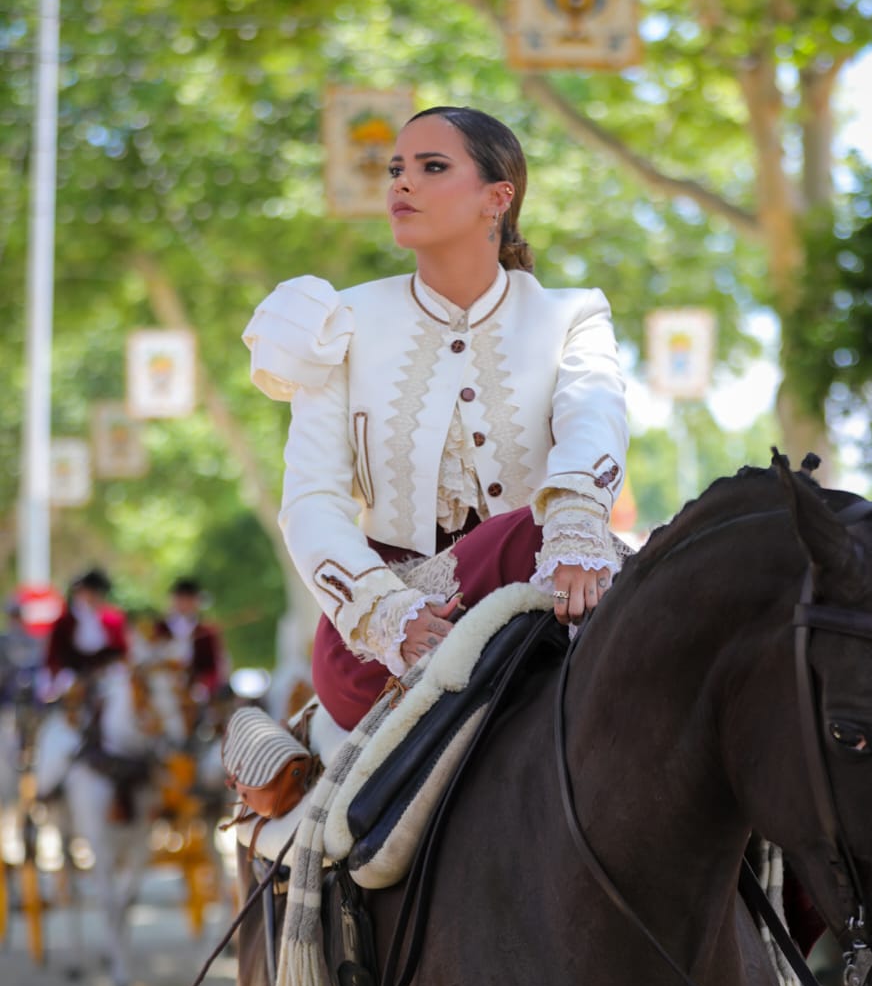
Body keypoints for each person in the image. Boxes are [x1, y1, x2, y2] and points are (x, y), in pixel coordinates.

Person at [243, 104, 628, 730]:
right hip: (379, 642)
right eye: (397, 168)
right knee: (526, 533)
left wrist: (578, 532)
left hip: (549, 589)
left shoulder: (573, 316)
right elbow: (311, 500)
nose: (401, 182)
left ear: (496, 198)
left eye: (431, 167)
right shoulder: (338, 321)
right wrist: (388, 615)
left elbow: (595, 419)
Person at [43, 568, 129, 697]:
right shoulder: (65, 621)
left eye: (96, 593)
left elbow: (122, 650)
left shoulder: (114, 619)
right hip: (72, 672)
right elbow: (54, 653)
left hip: (106, 673)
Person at [152, 577, 228, 702]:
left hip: (192, 687)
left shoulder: (206, 631)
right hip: (161, 683)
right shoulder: (159, 628)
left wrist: (203, 686)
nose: (184, 603)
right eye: (180, 598)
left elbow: (213, 667)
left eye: (188, 599)